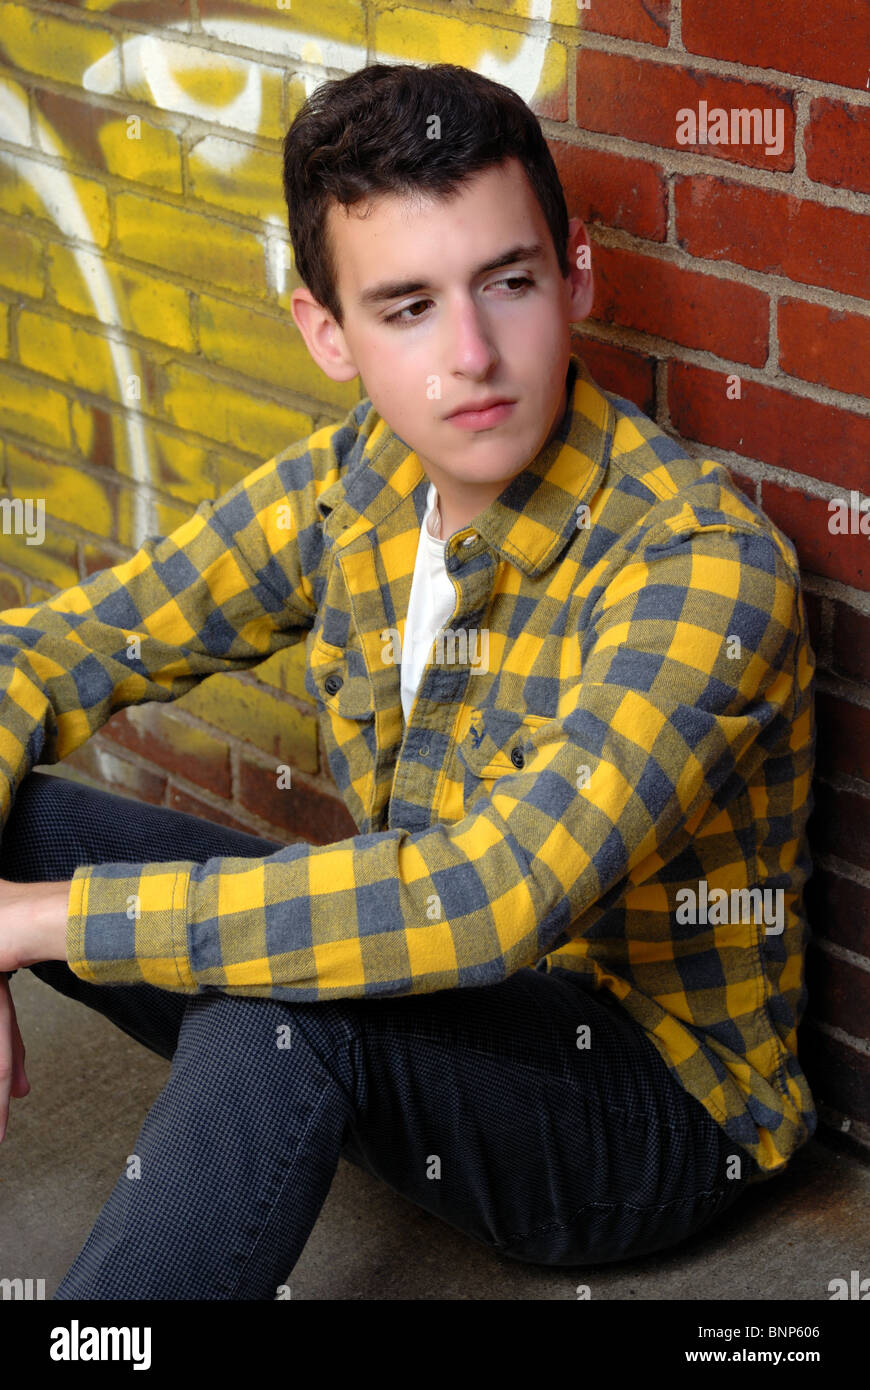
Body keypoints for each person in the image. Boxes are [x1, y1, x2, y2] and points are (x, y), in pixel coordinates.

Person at [0, 61, 816, 1300]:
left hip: (644, 1108)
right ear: (328, 333)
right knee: (30, 823)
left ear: (575, 273)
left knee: (284, 994)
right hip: (431, 1000)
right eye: (408, 307)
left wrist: (34, 926)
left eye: (508, 282)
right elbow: (45, 649)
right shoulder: (356, 487)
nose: (474, 355)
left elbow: (487, 899)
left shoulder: (702, 567)